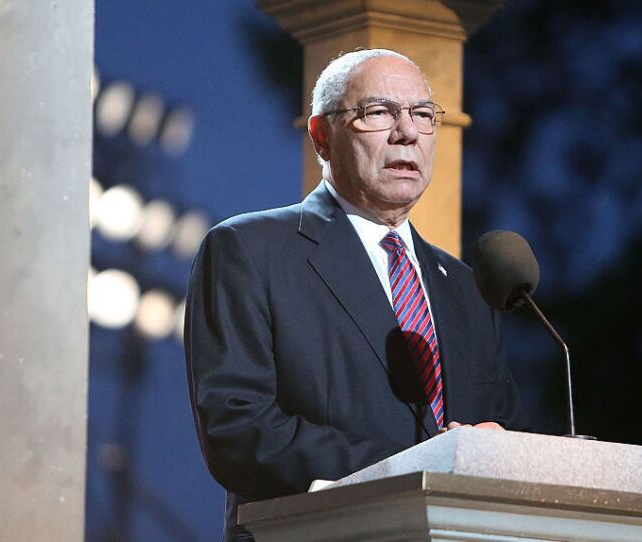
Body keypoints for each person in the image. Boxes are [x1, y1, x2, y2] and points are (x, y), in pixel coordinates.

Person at [185, 48, 528, 541]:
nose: (407, 132)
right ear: (322, 137)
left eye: (423, 115)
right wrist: (421, 467)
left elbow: (505, 431)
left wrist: (503, 453)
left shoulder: (466, 289)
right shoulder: (249, 251)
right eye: (379, 112)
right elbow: (239, 432)